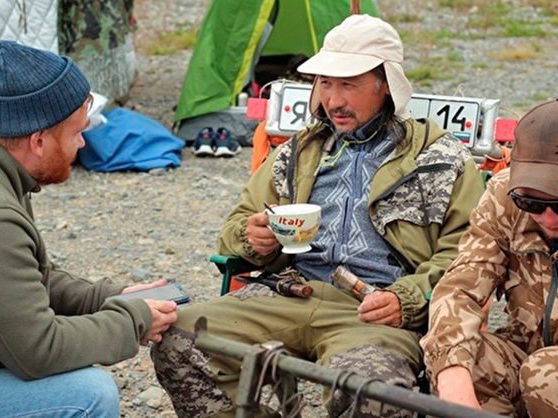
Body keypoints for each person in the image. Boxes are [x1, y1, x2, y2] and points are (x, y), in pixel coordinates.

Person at [151, 14, 484, 418]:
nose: (334, 100)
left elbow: (469, 255)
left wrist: (409, 298)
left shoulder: (439, 160)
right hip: (288, 292)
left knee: (375, 393)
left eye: (348, 84)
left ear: (387, 84)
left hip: (372, 310)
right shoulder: (299, 152)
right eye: (325, 83)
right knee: (177, 340)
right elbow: (236, 229)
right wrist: (253, 238)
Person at [0, 40, 178, 417]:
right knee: (88, 394)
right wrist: (134, 320)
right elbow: (39, 351)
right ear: (38, 140)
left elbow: (26, 281)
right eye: (76, 132)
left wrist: (112, 296)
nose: (83, 142)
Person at [421, 99, 558, 418]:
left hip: (543, 373)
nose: (549, 217)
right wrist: (454, 380)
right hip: (526, 356)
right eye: (532, 202)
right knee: (460, 357)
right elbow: (460, 288)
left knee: (544, 372)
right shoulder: (503, 196)